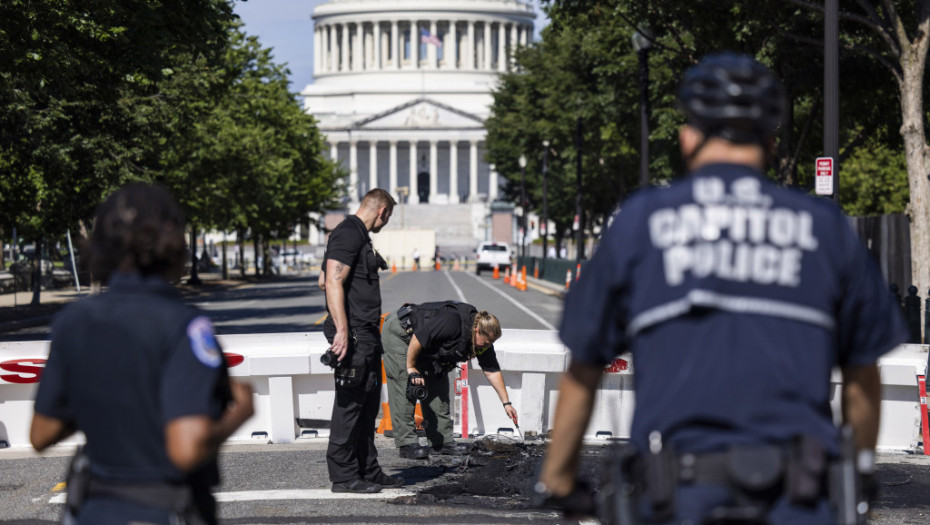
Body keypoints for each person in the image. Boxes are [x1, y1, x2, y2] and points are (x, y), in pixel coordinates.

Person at [537, 53, 908, 524]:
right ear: (772, 143)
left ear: (688, 137)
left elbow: (584, 368)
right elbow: (862, 375)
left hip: (675, 501)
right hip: (800, 499)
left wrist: (559, 479)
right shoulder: (826, 229)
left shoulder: (641, 223)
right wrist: (860, 473)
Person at [30, 183, 255, 525]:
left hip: (94, 510)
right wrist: (241, 411)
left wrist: (105, 394)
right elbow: (185, 448)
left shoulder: (72, 321)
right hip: (163, 510)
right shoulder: (183, 325)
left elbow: (41, 434)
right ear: (172, 238)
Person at [320, 188, 399, 493]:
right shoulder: (348, 233)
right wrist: (342, 329)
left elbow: (324, 278)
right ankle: (343, 477)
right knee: (350, 406)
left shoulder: (360, 237)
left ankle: (367, 469)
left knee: (368, 406)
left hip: (366, 333)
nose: (385, 223)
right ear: (382, 212)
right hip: (352, 333)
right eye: (387, 218)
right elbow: (331, 280)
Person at [381, 301, 518, 459]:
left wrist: (506, 403)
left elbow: (492, 371)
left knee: (438, 387)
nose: (487, 347)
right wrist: (411, 367)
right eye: (486, 342)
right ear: (477, 330)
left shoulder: (483, 342)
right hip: (402, 333)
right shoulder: (451, 322)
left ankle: (441, 443)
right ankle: (407, 444)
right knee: (406, 383)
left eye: (491, 344)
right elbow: (418, 338)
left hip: (426, 346)